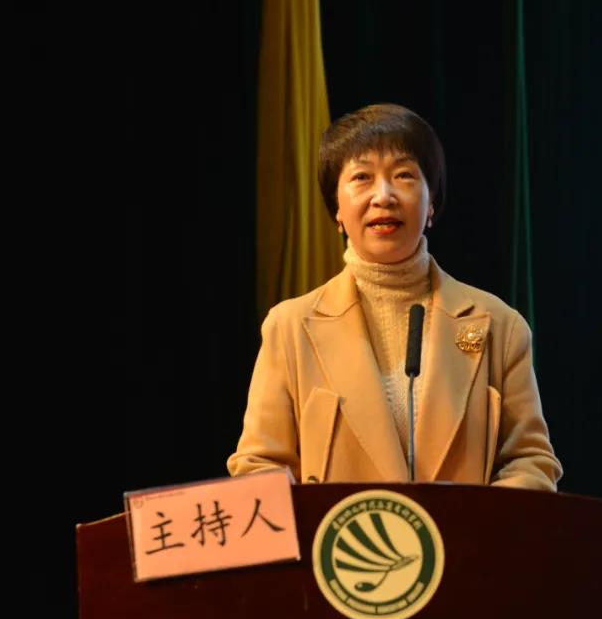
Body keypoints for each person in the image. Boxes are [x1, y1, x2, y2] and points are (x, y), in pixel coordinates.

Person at [228, 104, 562, 491]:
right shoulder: (289, 327)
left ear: (431, 203)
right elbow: (259, 466)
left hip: (462, 533)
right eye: (362, 177)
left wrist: (472, 522)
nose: (383, 196)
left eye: (404, 175)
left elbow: (530, 462)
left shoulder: (499, 326)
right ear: (337, 208)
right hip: (338, 532)